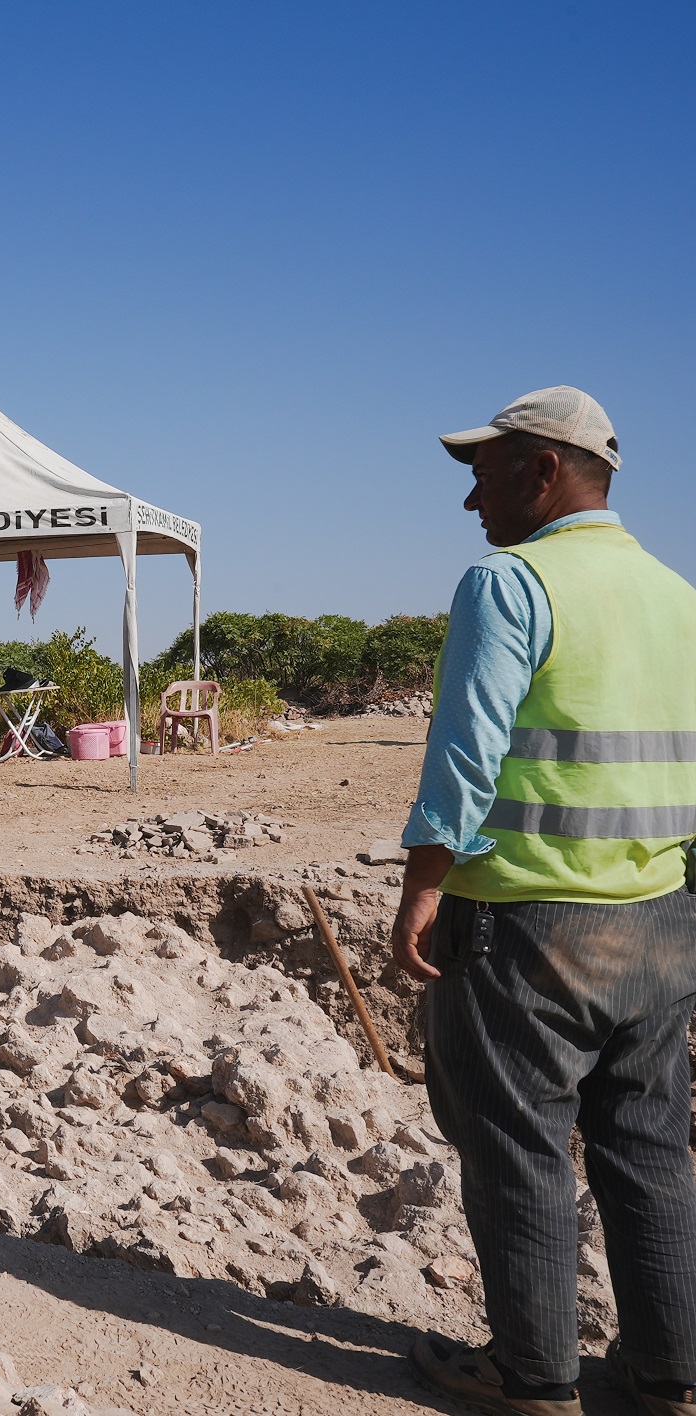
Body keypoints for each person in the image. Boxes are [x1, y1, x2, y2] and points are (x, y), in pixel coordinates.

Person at [389, 388, 696, 1416]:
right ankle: (669, 1378)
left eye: (482, 474)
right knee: (648, 1154)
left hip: (526, 924)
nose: (469, 499)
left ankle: (533, 1380)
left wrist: (422, 885)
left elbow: (465, 753)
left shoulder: (508, 582)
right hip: (660, 914)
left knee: (517, 1152)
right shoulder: (675, 593)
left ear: (542, 471)